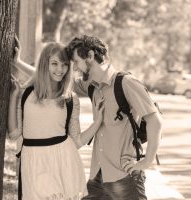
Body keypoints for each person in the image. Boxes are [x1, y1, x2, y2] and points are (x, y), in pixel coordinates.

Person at [15, 35, 163, 200]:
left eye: (77, 62)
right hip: (98, 176)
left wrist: (146, 161)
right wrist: (17, 63)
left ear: (90, 56)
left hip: (124, 175)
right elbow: (50, 77)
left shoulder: (126, 83)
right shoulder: (91, 85)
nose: (75, 68)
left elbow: (155, 121)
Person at [8, 42, 104, 200]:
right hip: (33, 161)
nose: (60, 70)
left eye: (65, 65)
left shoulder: (70, 99)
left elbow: (76, 141)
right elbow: (14, 133)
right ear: (45, 64)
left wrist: (97, 122)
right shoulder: (25, 94)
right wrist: (13, 97)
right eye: (54, 63)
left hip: (63, 161)